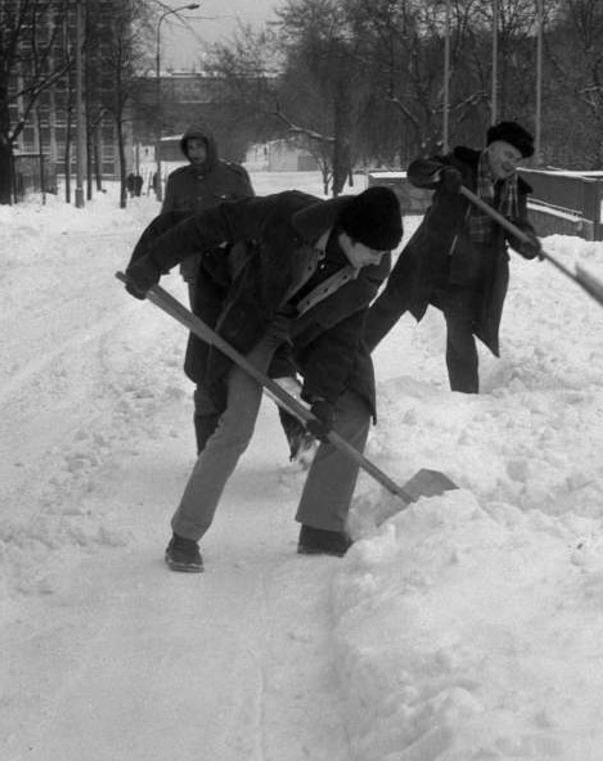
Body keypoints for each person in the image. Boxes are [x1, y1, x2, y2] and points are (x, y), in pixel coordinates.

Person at [123, 185, 404, 572]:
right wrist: (153, 262)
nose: (379, 259)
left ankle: (322, 526)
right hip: (255, 321)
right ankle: (184, 535)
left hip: (315, 327)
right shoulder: (289, 215)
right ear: (347, 236)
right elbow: (212, 223)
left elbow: (341, 333)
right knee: (237, 424)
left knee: (353, 406)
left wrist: (321, 397)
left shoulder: (374, 264)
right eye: (372, 249)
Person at [363, 120, 540, 394]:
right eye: (507, 155)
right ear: (491, 149)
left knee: (461, 336)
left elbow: (517, 225)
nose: (511, 164)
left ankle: (466, 400)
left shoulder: (514, 189)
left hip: (465, 273)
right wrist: (441, 174)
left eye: (516, 159)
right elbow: (417, 171)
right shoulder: (460, 165)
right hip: (427, 258)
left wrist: (526, 241)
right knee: (387, 309)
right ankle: (343, 365)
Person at [136, 127, 254, 452]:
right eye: (191, 147)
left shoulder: (233, 176)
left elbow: (253, 216)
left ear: (211, 147)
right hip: (198, 271)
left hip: (234, 268)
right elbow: (168, 223)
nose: (196, 152)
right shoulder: (178, 181)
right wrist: (155, 263)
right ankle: (211, 387)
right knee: (206, 332)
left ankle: (235, 385)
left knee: (237, 331)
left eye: (201, 146)